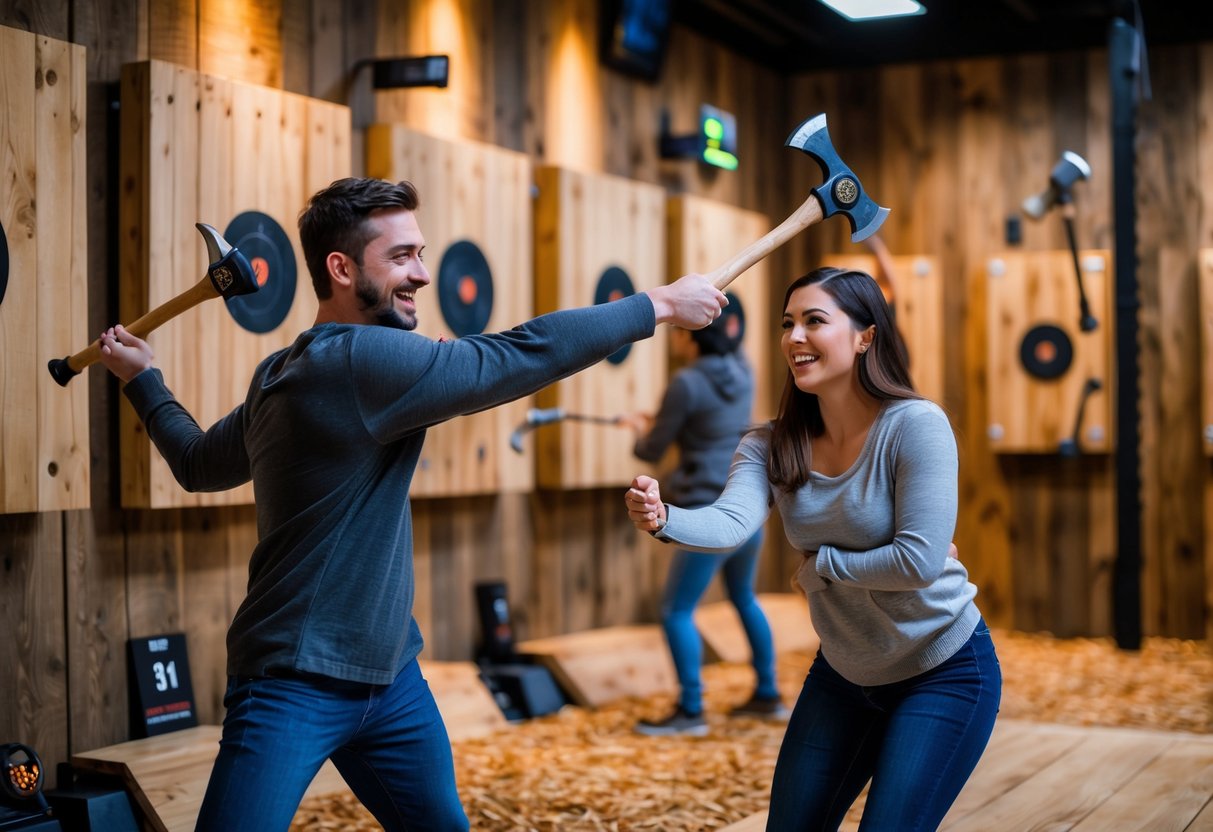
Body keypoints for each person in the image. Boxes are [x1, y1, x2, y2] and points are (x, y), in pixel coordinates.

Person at [96, 176, 727, 832]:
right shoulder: (358, 361)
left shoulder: (286, 368)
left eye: (422, 255)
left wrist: (144, 380)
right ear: (340, 269)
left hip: (390, 677)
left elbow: (198, 465)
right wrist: (655, 305)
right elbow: (515, 356)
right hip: (295, 682)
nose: (423, 275)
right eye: (401, 257)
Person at [624, 266, 1000, 831]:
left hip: (942, 669)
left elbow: (918, 563)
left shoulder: (916, 426)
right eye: (787, 324)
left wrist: (822, 568)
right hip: (845, 672)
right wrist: (664, 519)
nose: (794, 338)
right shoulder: (770, 444)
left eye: (814, 321)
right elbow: (731, 523)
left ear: (865, 335)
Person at [617, 315, 783, 737]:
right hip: (746, 506)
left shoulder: (686, 383)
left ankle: (691, 709)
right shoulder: (744, 370)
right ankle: (768, 693)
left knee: (676, 610)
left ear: (692, 339)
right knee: (744, 597)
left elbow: (653, 448)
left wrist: (640, 430)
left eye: (679, 330)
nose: (674, 337)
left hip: (705, 512)